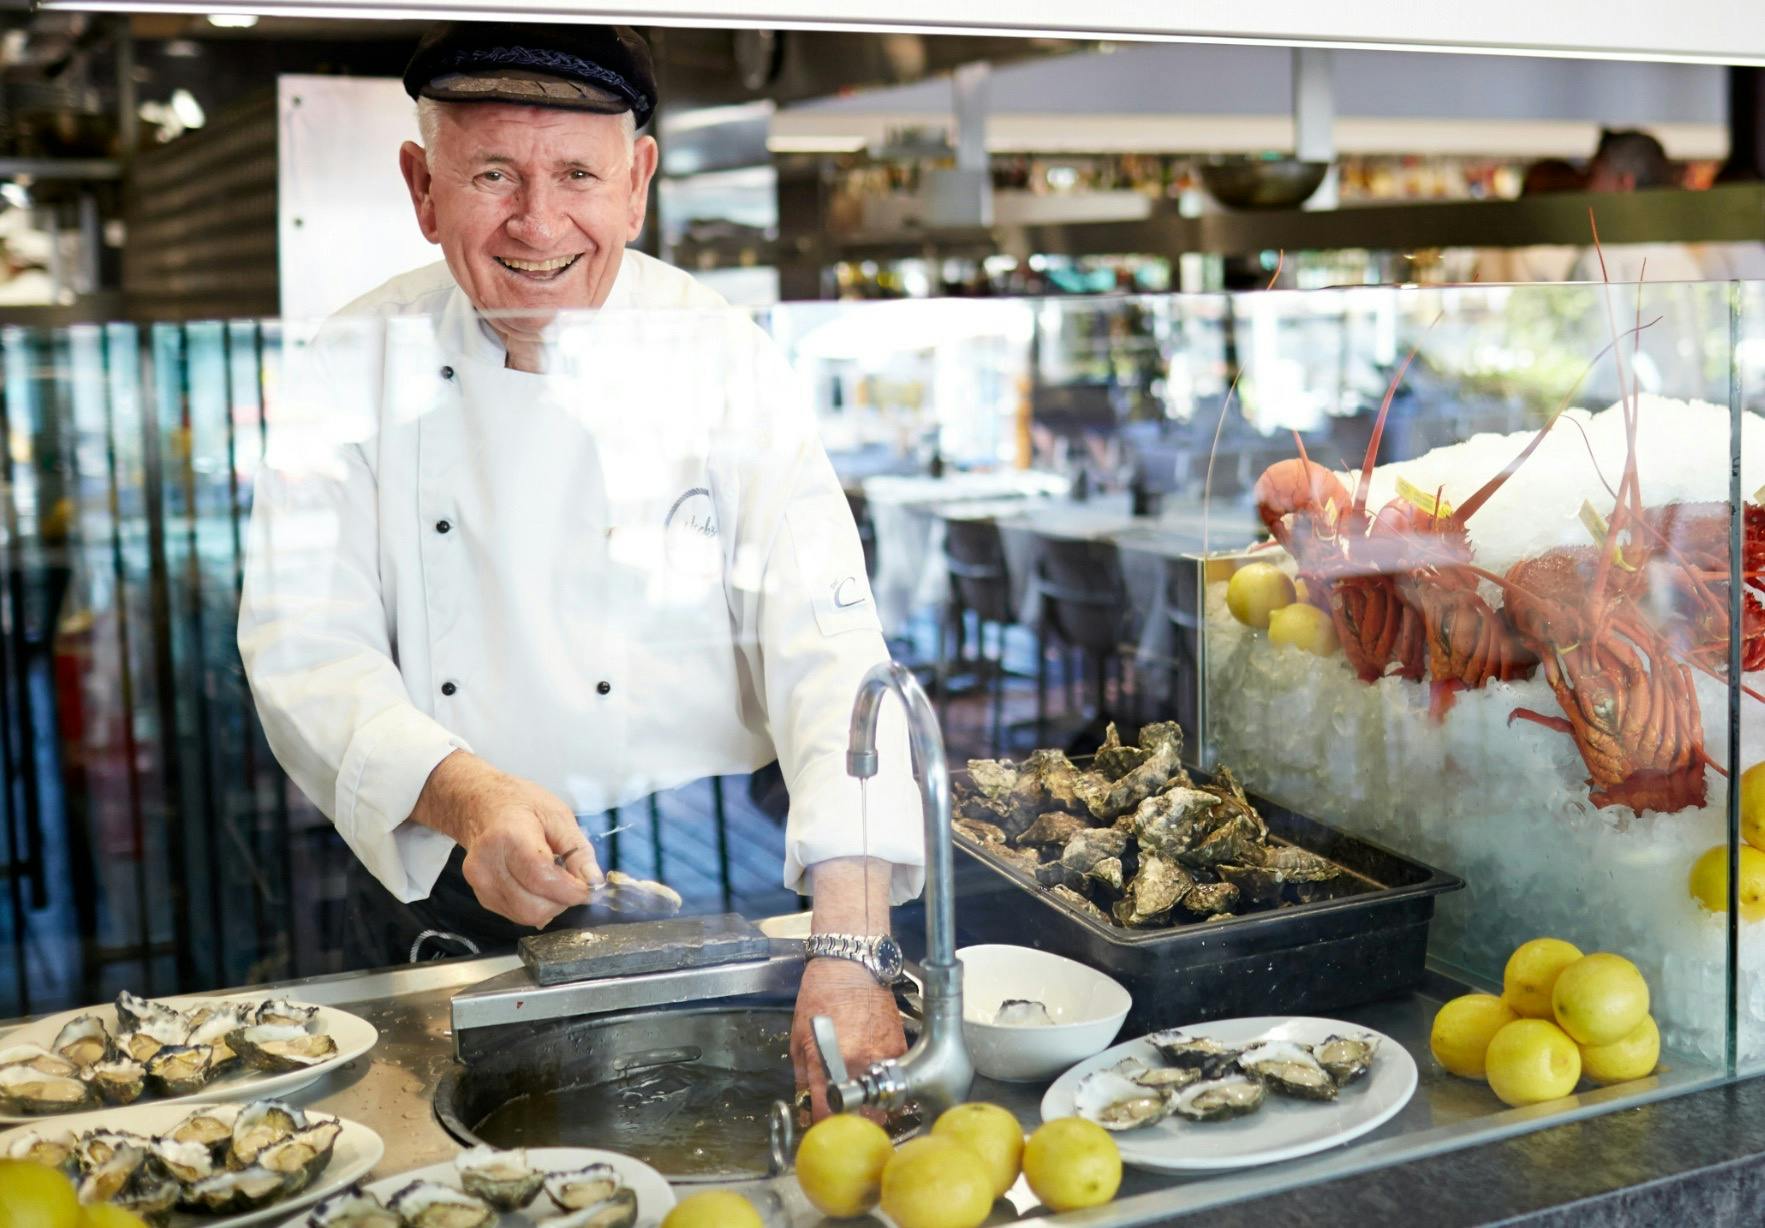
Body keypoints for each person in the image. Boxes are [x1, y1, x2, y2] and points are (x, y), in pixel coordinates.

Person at [237, 22, 919, 1116]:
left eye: (577, 175)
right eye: (492, 175)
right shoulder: (351, 363)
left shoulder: (722, 357)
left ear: (636, 182)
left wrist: (851, 945)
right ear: (421, 187)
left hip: (717, 880)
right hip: (457, 886)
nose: (537, 223)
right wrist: (468, 795)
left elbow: (832, 657)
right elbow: (303, 647)